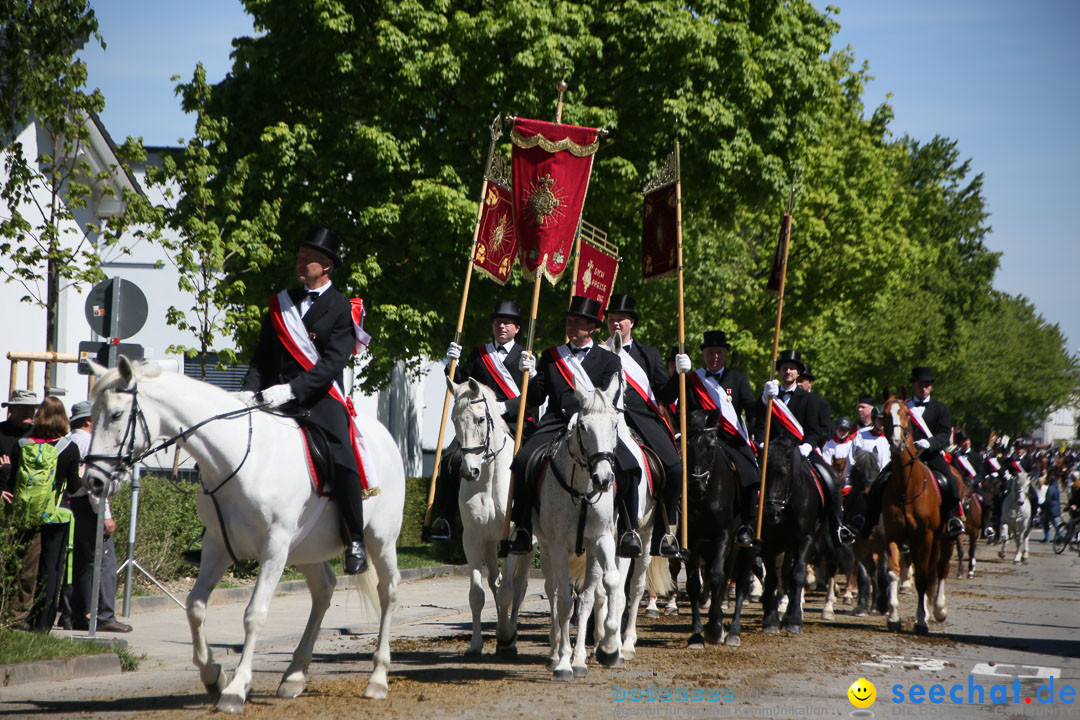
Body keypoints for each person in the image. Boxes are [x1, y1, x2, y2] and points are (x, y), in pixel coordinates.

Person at [241, 225, 369, 574]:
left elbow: (332, 363)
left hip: (319, 396)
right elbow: (262, 356)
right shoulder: (282, 303)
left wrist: (293, 389)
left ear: (326, 264)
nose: (301, 263)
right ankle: (221, 534)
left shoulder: (343, 307)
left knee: (343, 455)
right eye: (299, 257)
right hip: (272, 394)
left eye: (308, 259)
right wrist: (247, 390)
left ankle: (354, 538)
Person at [502, 295, 642, 558]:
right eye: (569, 321)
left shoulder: (609, 359)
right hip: (556, 421)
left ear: (592, 328)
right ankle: (521, 527)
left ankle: (628, 531)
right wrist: (528, 376)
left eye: (578, 322)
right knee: (521, 461)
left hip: (594, 424)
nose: (571, 326)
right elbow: (535, 398)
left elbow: (609, 398)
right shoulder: (552, 356)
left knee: (630, 466)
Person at [426, 299, 534, 540]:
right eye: (498, 322)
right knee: (450, 459)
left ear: (517, 328)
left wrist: (532, 375)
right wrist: (450, 365)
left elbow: (534, 396)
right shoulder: (480, 353)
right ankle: (444, 518)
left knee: (532, 463)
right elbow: (459, 384)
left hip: (515, 422)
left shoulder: (525, 357)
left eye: (507, 323)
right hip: (477, 424)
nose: (502, 327)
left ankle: (528, 521)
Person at [602, 294, 681, 558]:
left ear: (631, 323)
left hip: (642, 419)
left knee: (675, 468)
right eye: (611, 319)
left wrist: (680, 374)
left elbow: (666, 395)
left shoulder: (648, 355)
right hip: (607, 419)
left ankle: (663, 532)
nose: (615, 324)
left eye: (620, 319)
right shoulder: (598, 351)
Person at [669, 330, 760, 548]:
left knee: (750, 472)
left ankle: (746, 524)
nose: (715, 357)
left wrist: (766, 399)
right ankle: (673, 527)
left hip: (730, 440)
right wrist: (677, 375)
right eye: (710, 353)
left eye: (719, 352)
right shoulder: (693, 379)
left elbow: (752, 408)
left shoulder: (738, 379)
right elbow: (673, 403)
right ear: (704, 355)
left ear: (726, 354)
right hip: (697, 441)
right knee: (673, 471)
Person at [760, 349, 855, 545]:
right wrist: (763, 401)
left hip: (801, 451)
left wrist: (808, 445)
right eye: (785, 368)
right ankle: (749, 525)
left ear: (798, 373)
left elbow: (815, 429)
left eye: (792, 369)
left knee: (830, 480)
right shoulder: (771, 398)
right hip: (774, 453)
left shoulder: (811, 400)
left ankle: (838, 526)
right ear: (779, 372)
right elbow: (757, 423)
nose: (788, 371)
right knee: (752, 480)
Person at [1, 396, 79, 631]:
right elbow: (74, 486)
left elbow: (14, 481)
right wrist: (81, 473)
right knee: (51, 568)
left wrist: (5, 472)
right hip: (56, 514)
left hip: (26, 512)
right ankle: (41, 624)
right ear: (63, 419)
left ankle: (13, 615)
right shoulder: (69, 448)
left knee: (22, 564)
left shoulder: (24, 444)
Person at [862, 366, 964, 538]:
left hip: (930, 455)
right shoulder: (902, 406)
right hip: (905, 456)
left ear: (931, 386)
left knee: (950, 483)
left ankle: (953, 519)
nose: (923, 388)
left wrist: (929, 443)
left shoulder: (941, 409)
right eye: (920, 384)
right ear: (914, 385)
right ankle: (869, 522)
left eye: (927, 384)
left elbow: (945, 435)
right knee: (879, 483)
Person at [60, 401, 131, 632]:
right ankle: (104, 616)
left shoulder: (68, 441)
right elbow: (94, 484)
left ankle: (72, 615)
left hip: (70, 506)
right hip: (90, 508)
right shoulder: (90, 443)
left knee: (79, 562)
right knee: (105, 563)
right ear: (89, 421)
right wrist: (105, 516)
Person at [850, 395, 889, 484]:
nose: (882, 422)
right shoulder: (861, 436)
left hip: (886, 481)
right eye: (879, 419)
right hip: (865, 481)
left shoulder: (891, 438)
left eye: (884, 420)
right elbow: (851, 459)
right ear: (874, 419)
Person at [1039, 475, 1062, 543]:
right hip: (1054, 507)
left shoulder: (1051, 488)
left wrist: (1042, 505)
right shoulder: (1056, 487)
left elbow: (1048, 499)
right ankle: (1049, 537)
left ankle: (1060, 536)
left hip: (1050, 508)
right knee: (1050, 523)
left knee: (1053, 523)